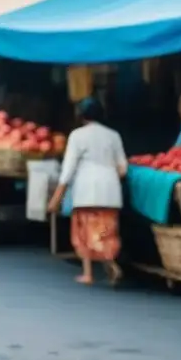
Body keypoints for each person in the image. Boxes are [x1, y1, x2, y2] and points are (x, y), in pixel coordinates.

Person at [47, 97, 126, 286]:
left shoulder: (77, 136)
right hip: (110, 190)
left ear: (81, 116)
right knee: (105, 231)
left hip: (86, 190)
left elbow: (68, 170)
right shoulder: (113, 135)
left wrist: (57, 197)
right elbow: (123, 168)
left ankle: (88, 273)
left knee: (84, 231)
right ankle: (110, 261)